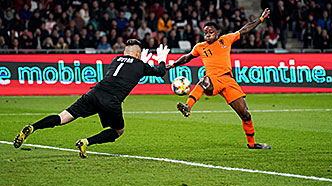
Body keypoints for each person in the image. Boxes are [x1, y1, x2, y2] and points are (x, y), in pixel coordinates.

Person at [13, 39, 170, 158]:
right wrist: (161, 58)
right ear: (138, 53)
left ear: (124, 51)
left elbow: (129, 65)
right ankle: (86, 142)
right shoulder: (141, 65)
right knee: (118, 131)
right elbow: (160, 71)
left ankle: (32, 127)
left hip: (94, 93)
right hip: (111, 101)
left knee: (62, 117)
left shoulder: (116, 59)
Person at [168, 9, 271, 149]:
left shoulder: (226, 39)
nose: (208, 35)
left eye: (211, 32)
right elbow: (187, 57)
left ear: (217, 33)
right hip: (213, 80)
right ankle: (187, 106)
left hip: (229, 81)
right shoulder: (200, 47)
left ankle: (252, 144)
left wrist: (261, 19)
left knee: (245, 114)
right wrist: (172, 65)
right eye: (205, 32)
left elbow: (245, 29)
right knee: (204, 80)